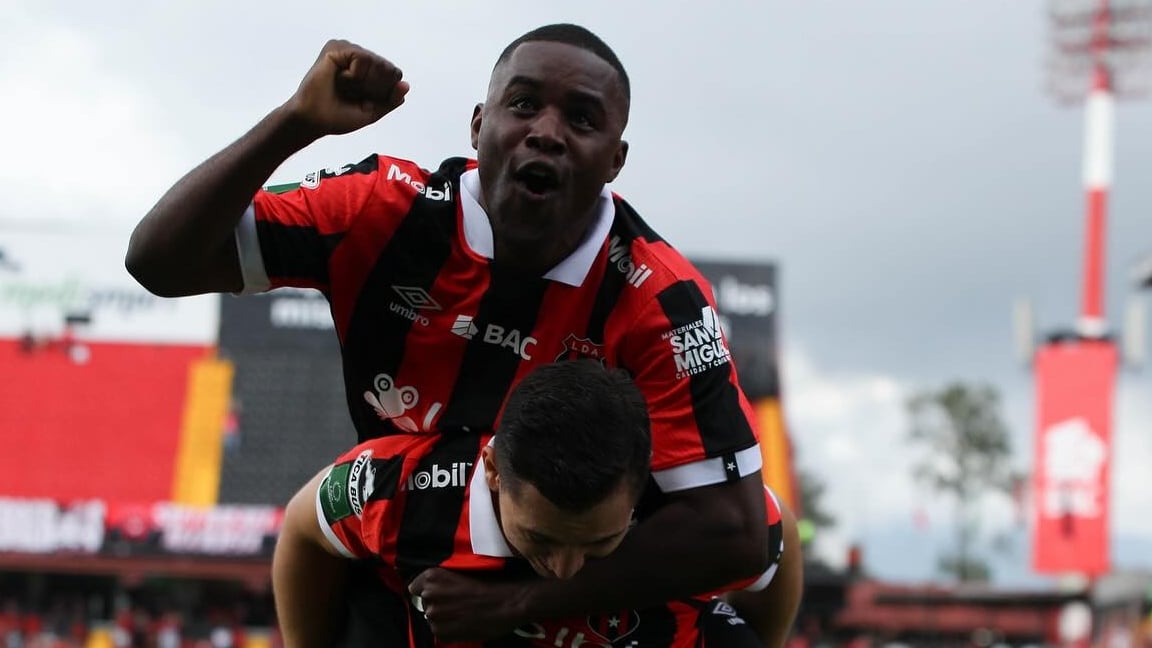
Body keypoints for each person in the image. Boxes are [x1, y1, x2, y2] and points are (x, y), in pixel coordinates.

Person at [126, 23, 788, 642]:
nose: (547, 133)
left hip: (598, 588)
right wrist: (294, 122)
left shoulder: (659, 299)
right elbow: (159, 261)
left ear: (614, 159)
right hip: (410, 571)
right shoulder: (380, 211)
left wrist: (515, 606)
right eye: (523, 105)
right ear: (479, 124)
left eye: (581, 119)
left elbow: (740, 534)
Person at [274, 361, 799, 647]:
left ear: (642, 486)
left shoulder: (701, 517)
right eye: (540, 539)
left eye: (600, 543)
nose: (566, 570)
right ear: (494, 471)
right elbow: (302, 528)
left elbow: (781, 538)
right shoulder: (403, 488)